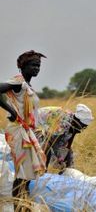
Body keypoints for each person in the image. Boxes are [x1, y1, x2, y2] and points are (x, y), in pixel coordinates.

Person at [0, 50, 47, 209]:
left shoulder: (27, 85)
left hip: (26, 131)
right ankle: (19, 207)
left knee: (27, 175)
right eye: (33, 65)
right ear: (23, 66)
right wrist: (11, 111)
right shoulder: (18, 81)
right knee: (22, 175)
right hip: (17, 131)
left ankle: (22, 207)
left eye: (38, 66)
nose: (37, 68)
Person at [37, 104, 94, 173]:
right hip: (33, 126)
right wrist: (59, 159)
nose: (82, 130)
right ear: (77, 121)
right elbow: (52, 142)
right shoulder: (63, 122)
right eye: (83, 126)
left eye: (85, 127)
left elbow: (69, 140)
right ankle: (42, 174)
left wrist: (65, 154)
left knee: (69, 153)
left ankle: (68, 175)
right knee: (46, 148)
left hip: (46, 129)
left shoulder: (73, 123)